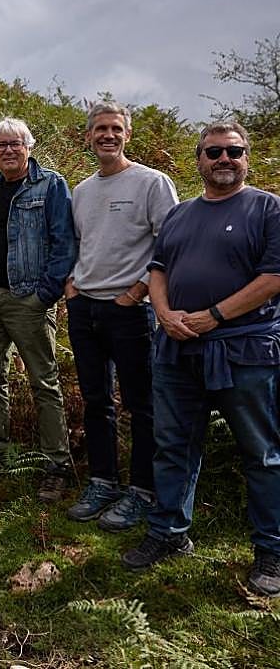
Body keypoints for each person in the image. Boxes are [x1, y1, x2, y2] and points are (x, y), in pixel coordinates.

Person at [121, 121, 280, 598]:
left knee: (263, 453)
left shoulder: (267, 208)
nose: (224, 159)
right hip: (176, 349)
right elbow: (157, 269)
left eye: (233, 151)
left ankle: (271, 550)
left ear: (246, 156)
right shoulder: (180, 214)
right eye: (214, 152)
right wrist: (165, 313)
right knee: (172, 447)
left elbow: (273, 278)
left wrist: (214, 316)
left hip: (244, 351)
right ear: (199, 159)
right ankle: (168, 533)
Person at [64, 102, 178, 530]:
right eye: (99, 129)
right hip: (85, 307)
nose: (107, 135)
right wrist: (71, 288)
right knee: (96, 401)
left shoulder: (152, 182)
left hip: (129, 311)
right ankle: (102, 481)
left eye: (115, 128)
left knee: (140, 404)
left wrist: (136, 293)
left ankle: (143, 490)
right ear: (88, 136)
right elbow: (79, 243)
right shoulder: (82, 190)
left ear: (127, 134)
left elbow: (170, 246)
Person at [0, 118, 76, 501]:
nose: (8, 151)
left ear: (28, 146)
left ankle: (56, 465)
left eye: (15, 144)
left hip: (28, 298)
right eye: (1, 146)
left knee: (43, 383)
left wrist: (46, 293)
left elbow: (64, 241)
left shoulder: (51, 185)